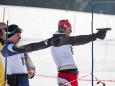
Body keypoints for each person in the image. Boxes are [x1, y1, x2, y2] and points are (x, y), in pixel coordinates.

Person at [50, 19, 107, 86]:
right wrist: (95, 36)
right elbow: (79, 39)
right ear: (62, 29)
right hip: (67, 75)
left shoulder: (61, 40)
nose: (71, 31)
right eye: (69, 29)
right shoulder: (60, 40)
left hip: (68, 74)